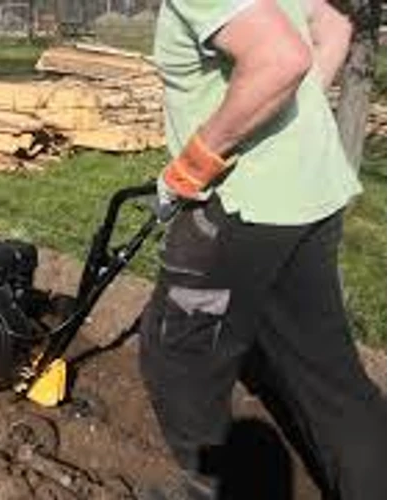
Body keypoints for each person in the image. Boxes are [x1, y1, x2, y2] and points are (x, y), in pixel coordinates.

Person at [139, 0, 386, 498]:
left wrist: (190, 167)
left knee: (179, 354)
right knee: (326, 372)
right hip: (309, 191)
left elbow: (281, 59)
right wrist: (288, 125)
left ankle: (212, 487)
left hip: (240, 209)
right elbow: (334, 26)